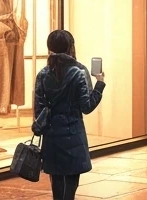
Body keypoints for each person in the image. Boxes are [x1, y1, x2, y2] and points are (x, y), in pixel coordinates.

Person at [32, 29, 105, 200]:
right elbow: (87, 106)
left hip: (52, 137)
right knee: (71, 186)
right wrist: (99, 84)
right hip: (73, 135)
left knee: (57, 185)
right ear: (70, 47)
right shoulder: (79, 72)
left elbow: (39, 110)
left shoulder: (43, 74)